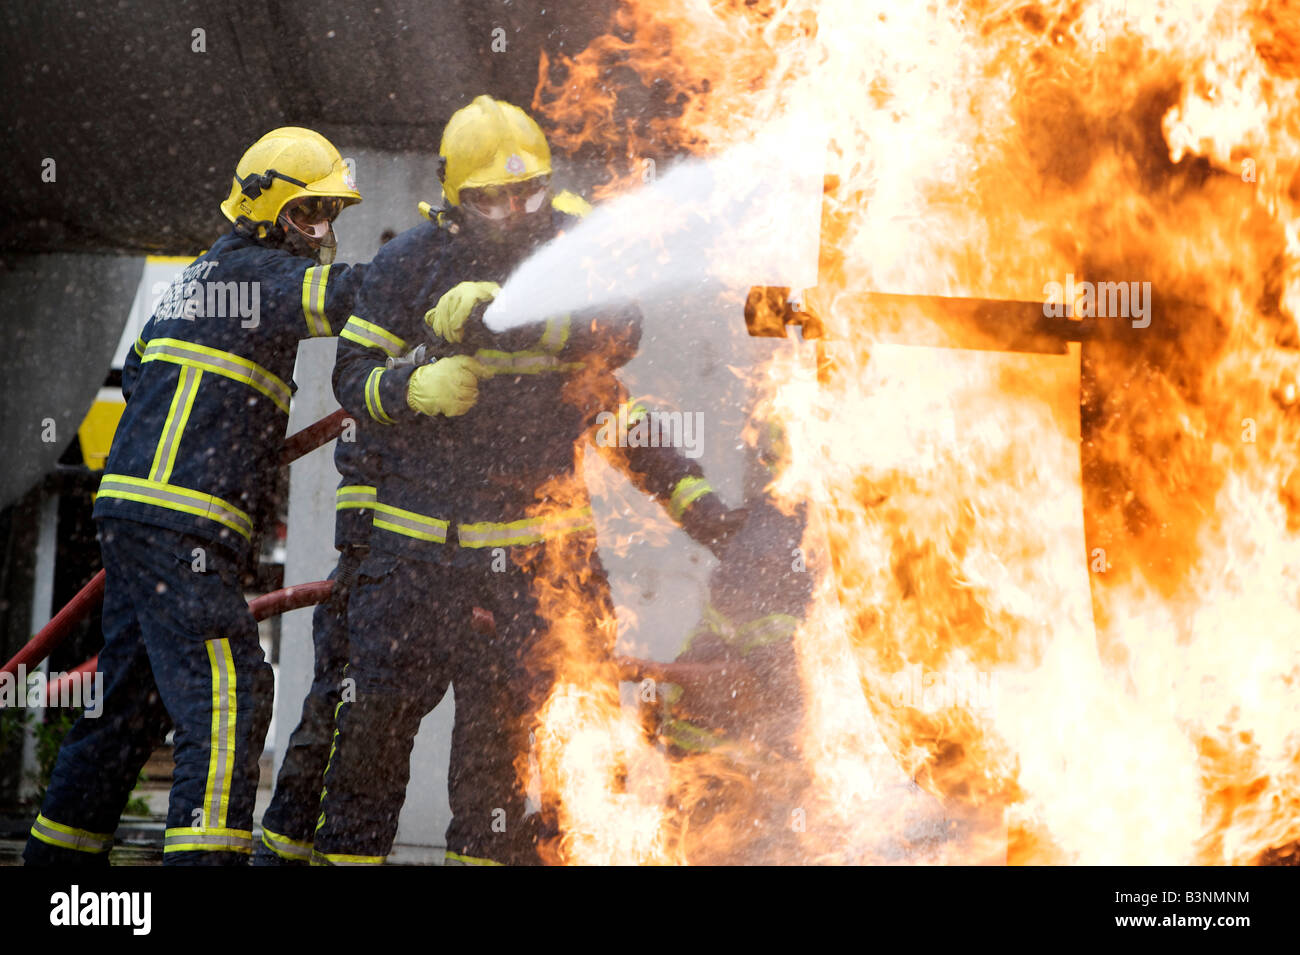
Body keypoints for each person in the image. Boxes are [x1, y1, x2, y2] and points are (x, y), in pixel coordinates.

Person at [310, 95, 745, 865]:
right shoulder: (408, 265)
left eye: (529, 192)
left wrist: (700, 504)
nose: (514, 211)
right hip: (413, 564)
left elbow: (620, 342)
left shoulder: (572, 258)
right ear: (453, 195)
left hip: (531, 575)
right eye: (491, 197)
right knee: (369, 754)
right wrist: (410, 390)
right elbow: (352, 377)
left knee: (496, 776)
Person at [25, 127, 367, 865]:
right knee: (229, 695)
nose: (323, 231)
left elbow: (146, 373)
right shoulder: (259, 275)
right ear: (270, 211)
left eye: (330, 215)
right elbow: (345, 298)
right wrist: (433, 271)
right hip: (184, 526)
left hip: (139, 518)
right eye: (311, 213)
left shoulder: (196, 279)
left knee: (126, 705)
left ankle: (58, 875)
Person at [254, 421, 379, 865]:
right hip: (375, 575)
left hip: (418, 574)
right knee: (338, 714)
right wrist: (361, 552)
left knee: (361, 724)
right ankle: (281, 853)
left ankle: (286, 851)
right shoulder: (389, 379)